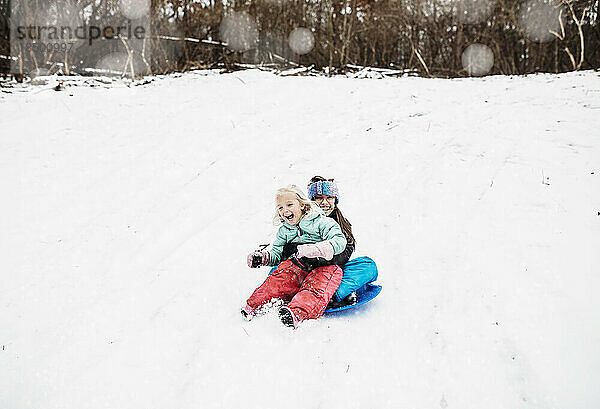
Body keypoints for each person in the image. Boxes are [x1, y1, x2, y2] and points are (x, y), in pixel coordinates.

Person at [242, 185, 347, 328]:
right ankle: (253, 305)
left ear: (303, 205)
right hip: (298, 264)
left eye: (289, 204)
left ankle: (296, 313)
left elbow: (340, 240)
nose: (285, 210)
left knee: (316, 287)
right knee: (277, 280)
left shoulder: (321, 222)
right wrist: (264, 258)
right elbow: (276, 254)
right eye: (280, 207)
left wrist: (319, 249)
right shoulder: (284, 231)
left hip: (326, 266)